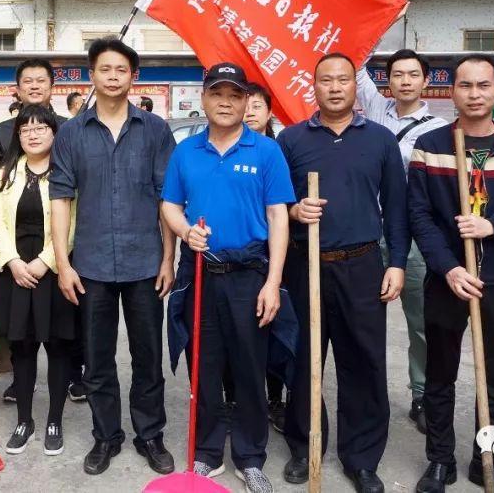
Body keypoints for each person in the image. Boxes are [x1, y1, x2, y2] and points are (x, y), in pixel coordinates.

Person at [408, 55, 494, 493]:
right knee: (440, 372)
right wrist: (447, 267)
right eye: (465, 86)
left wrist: (492, 225)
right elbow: (419, 216)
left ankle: (488, 459)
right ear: (452, 92)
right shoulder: (430, 146)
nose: (474, 94)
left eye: (483, 86)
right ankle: (439, 460)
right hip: (448, 279)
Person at [277, 53, 410, 493]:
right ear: (312, 86)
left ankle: (362, 458)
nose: (335, 87)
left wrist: (396, 263)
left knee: (364, 363)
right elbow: (274, 207)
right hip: (306, 264)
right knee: (303, 362)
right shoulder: (292, 140)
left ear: (356, 87)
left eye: (343, 80)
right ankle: (304, 446)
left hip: (363, 265)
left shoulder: (380, 140)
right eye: (326, 80)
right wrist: (296, 210)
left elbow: (395, 208)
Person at [161, 64, 297, 493]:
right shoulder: (186, 151)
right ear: (203, 99)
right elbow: (169, 205)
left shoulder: (266, 151)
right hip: (201, 272)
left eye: (235, 95)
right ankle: (206, 452)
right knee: (204, 365)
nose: (225, 101)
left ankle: (251, 455)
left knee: (249, 366)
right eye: (217, 93)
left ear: (246, 102)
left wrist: (273, 281)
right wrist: (186, 231)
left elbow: (278, 216)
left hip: (250, 274)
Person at [50, 38, 177, 476]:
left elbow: (168, 198)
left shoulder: (156, 130)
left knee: (148, 357)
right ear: (92, 75)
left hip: (146, 261)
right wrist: (63, 264)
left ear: (133, 76)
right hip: (92, 264)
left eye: (121, 70)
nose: (113, 77)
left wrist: (168, 258)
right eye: (105, 69)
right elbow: (61, 198)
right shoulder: (71, 132)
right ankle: (106, 436)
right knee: (97, 360)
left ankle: (150, 435)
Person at [355, 49, 449, 434]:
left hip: (412, 235)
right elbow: (356, 67)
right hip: (367, 230)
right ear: (388, 81)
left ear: (426, 81)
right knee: (361, 318)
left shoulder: (438, 128)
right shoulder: (376, 111)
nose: (405, 81)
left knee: (420, 320)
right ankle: (365, 393)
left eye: (413, 74)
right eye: (397, 74)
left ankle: (422, 393)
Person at [0, 59, 79, 404]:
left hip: (58, 255)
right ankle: (20, 387)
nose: (35, 86)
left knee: (62, 333)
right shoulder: (3, 131)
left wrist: (50, 259)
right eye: (28, 81)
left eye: (42, 80)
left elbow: (73, 211)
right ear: (18, 88)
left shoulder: (72, 127)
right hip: (15, 252)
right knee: (20, 331)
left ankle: (72, 378)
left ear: (52, 86)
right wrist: (8, 257)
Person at [242, 82, 288, 432]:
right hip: (236, 259)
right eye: (247, 104)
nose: (250, 111)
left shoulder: (277, 149)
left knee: (272, 333)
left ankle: (273, 399)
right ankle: (237, 402)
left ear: (270, 112)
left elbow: (280, 211)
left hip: (274, 256)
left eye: (258, 106)